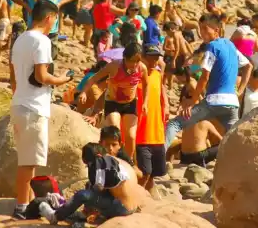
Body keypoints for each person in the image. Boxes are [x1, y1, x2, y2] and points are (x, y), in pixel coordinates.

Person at [8, 0, 74, 220]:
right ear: (49, 17)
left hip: (19, 103)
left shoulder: (19, 40)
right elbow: (41, 76)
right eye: (55, 18)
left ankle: (24, 204)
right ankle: (21, 207)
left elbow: (14, 76)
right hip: (33, 107)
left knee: (26, 160)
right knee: (28, 162)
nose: (55, 23)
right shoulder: (42, 41)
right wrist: (61, 80)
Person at [180, 14, 252, 135]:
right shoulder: (226, 48)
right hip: (228, 100)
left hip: (213, 99)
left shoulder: (212, 50)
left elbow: (200, 76)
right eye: (200, 28)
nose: (201, 32)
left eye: (204, 28)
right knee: (228, 136)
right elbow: (193, 70)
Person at [39, 143, 145, 223]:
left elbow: (98, 187)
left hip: (121, 208)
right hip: (132, 206)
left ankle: (55, 216)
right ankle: (85, 213)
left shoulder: (101, 161)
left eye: (88, 164)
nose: (90, 167)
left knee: (82, 195)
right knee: (90, 187)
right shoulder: (117, 161)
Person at [135, 44, 168, 192]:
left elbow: (161, 91)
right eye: (151, 58)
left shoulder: (157, 74)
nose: (154, 62)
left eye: (156, 58)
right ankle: (138, 197)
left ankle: (148, 196)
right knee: (145, 171)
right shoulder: (135, 76)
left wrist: (166, 104)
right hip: (141, 133)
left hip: (157, 132)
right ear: (142, 57)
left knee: (155, 172)